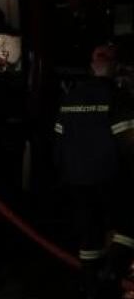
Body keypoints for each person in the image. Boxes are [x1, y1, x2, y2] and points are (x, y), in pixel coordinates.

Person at [54, 44, 134, 299]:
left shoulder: (71, 98)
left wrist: (65, 173)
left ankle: (89, 284)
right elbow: (128, 143)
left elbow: (58, 141)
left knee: (90, 231)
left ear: (91, 67)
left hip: (76, 179)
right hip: (110, 178)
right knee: (128, 225)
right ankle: (111, 275)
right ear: (115, 67)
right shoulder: (117, 98)